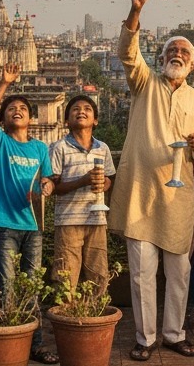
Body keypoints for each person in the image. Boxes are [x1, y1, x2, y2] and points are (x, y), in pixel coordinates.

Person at [108, 0, 194, 362]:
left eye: (184, 51)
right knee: (141, 273)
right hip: (140, 192)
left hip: (178, 196)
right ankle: (145, 337)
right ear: (162, 56)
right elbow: (126, 52)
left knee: (179, 272)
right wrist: (136, 10)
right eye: (172, 49)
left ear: (193, 62)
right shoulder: (144, 83)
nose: (178, 53)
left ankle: (174, 333)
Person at [0, 64, 58, 365]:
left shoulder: (40, 148)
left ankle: (34, 343)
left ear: (31, 117)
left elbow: (49, 179)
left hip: (33, 224)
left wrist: (47, 186)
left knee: (32, 285)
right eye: (11, 108)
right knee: (7, 285)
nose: (17, 111)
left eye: (22, 108)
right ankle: (8, 338)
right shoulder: (0, 142)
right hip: (5, 223)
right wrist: (4, 84)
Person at [49, 94, 116, 290]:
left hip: (96, 219)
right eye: (75, 109)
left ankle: (95, 314)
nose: (81, 112)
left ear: (95, 120)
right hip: (69, 220)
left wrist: (103, 184)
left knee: (98, 273)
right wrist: (83, 181)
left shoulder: (102, 148)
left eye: (87, 109)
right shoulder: (59, 147)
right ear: (67, 120)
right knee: (65, 275)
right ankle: (65, 315)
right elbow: (55, 187)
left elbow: (110, 179)